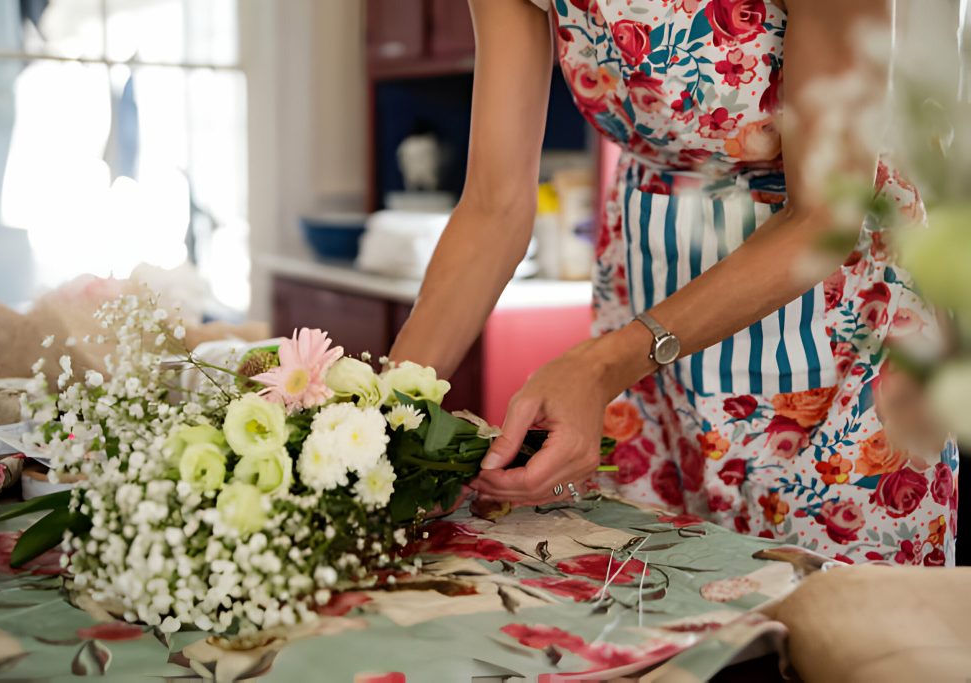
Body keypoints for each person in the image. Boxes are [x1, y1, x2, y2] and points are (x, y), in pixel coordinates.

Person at [389, 0, 958, 565]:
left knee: (836, 626)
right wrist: (377, 415)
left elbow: (820, 218)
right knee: (651, 601)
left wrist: (602, 365)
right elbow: (494, 206)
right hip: (650, 339)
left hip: (841, 332)